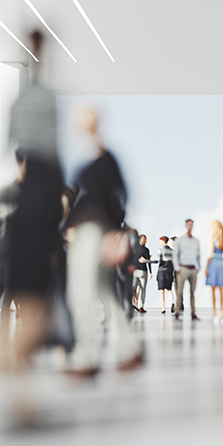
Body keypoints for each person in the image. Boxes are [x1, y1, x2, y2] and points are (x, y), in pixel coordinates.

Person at [63, 104, 142, 375]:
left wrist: (114, 232)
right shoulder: (85, 158)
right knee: (102, 291)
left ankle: (88, 356)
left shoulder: (105, 160)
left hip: (95, 230)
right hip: (84, 231)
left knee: (81, 292)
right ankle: (130, 347)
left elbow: (120, 197)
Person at [4, 30, 64, 364]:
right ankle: (26, 345)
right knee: (34, 276)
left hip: (39, 188)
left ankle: (23, 347)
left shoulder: (28, 99)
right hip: (42, 189)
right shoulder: (37, 98)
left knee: (31, 276)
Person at [0, 148, 24, 332]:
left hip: (18, 247)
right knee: (4, 287)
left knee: (10, 287)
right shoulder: (6, 193)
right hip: (8, 247)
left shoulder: (28, 192)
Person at [173, 219, 201, 321]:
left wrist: (198, 268)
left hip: (193, 269)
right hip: (183, 268)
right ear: (185, 225)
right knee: (179, 292)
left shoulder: (196, 241)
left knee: (192, 292)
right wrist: (177, 268)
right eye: (188, 224)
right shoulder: (180, 240)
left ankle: (193, 314)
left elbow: (199, 256)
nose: (190, 226)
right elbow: (175, 254)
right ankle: (177, 313)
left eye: (192, 225)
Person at [205, 220, 223, 323]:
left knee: (213, 290)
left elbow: (210, 253)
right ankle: (221, 312)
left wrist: (207, 267)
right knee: (221, 290)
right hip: (222, 263)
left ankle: (214, 312)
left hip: (214, 262)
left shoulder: (212, 238)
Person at [155, 236, 175, 313]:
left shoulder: (160, 250)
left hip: (162, 272)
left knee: (161, 290)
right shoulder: (172, 251)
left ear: (163, 241)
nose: (159, 242)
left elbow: (157, 260)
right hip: (169, 272)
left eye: (160, 241)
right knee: (169, 289)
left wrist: (146, 260)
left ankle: (163, 308)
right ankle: (172, 303)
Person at [132, 233, 150, 313]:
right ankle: (141, 306)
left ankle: (132, 304)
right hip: (143, 270)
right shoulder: (146, 250)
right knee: (143, 289)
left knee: (133, 288)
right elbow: (148, 262)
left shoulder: (134, 248)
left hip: (135, 270)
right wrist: (150, 272)